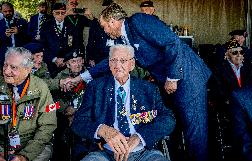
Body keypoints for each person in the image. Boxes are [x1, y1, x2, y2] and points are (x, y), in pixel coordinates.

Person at [65, 3, 211, 161]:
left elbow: (172, 42)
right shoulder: (124, 39)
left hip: (188, 77)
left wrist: (172, 78)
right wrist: (79, 78)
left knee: (194, 131)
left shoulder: (138, 21)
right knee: (177, 129)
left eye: (104, 26)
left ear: (113, 21)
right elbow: (109, 62)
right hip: (170, 82)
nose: (105, 31)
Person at [72, 44, 175, 161]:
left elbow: (168, 119)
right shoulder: (96, 87)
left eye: (123, 60)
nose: (118, 65)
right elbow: (78, 122)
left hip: (143, 153)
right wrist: (103, 130)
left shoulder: (148, 89)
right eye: (113, 60)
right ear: (109, 64)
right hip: (104, 153)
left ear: (132, 64)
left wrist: (139, 137)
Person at [0, 47, 57, 161]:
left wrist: (25, 156)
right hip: (2, 143)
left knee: (43, 153)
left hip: (32, 144)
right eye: (5, 65)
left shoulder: (41, 88)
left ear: (27, 69)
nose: (6, 71)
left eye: (13, 67)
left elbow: (47, 126)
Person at [207, 38, 252, 160]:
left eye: (241, 52)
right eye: (234, 52)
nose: (239, 55)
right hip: (228, 105)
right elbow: (218, 91)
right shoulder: (218, 69)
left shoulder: (249, 68)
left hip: (248, 105)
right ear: (226, 55)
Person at [40, 3, 69, 78]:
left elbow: (75, 44)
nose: (60, 15)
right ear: (53, 13)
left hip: (66, 63)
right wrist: (54, 59)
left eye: (63, 13)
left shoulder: (71, 26)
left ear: (66, 13)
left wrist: (66, 59)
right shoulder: (46, 25)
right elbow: (42, 45)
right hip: (50, 62)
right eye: (57, 13)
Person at [0, 2, 29, 68]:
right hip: (5, 55)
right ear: (1, 11)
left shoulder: (22, 22)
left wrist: (19, 32)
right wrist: (4, 36)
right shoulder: (0, 24)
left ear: (13, 10)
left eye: (10, 11)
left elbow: (29, 38)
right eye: (5, 11)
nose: (7, 13)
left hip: (20, 53)